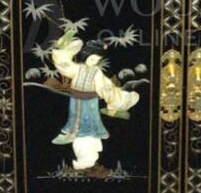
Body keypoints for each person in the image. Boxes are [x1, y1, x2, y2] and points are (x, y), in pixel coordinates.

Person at [51, 36, 139, 175]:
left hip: (89, 105)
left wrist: (117, 100)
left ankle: (88, 161)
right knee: (77, 132)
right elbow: (63, 64)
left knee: (89, 131)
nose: (94, 62)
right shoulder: (77, 68)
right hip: (76, 104)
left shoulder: (97, 72)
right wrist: (62, 48)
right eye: (92, 58)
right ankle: (82, 161)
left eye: (97, 60)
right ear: (85, 56)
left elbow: (106, 88)